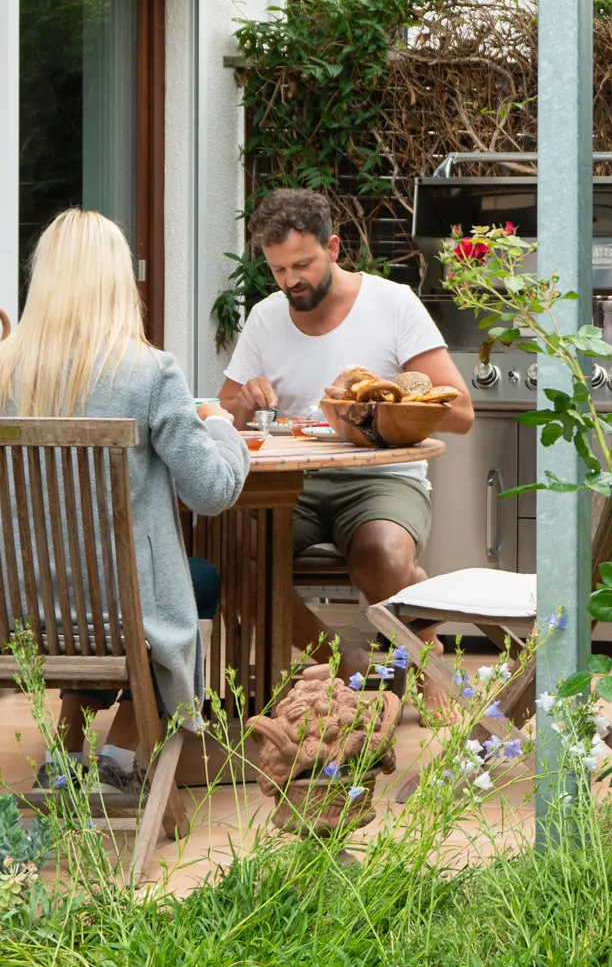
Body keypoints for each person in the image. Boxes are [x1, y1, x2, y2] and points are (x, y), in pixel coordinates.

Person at [0, 209, 248, 787]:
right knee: (198, 579)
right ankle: (119, 754)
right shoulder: (150, 373)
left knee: (90, 582)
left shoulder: (4, 371)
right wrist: (221, 428)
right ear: (117, 283)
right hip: (119, 613)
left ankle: (65, 754)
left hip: (24, 612)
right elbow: (210, 493)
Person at [219, 189, 472, 660]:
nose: (291, 281)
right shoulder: (265, 318)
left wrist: (376, 400)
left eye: (303, 265)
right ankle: (344, 665)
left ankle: (429, 654)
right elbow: (224, 412)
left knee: (382, 555)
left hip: (381, 479)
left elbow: (460, 414)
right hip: (290, 483)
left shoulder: (393, 304)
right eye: (278, 270)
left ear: (333, 248)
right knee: (232, 557)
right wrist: (243, 403)